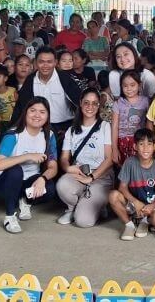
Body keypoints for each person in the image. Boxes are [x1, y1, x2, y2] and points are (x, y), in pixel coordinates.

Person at [0, 97, 58, 233]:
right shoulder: (13, 134)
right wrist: (28, 156)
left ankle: (24, 199)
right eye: (32, 110)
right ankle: (9, 216)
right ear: (25, 113)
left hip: (29, 181)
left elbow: (53, 167)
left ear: (47, 116)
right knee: (16, 171)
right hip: (5, 181)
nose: (37, 115)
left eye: (42, 112)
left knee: (50, 188)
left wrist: (42, 179)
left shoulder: (48, 135)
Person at [57, 89, 114, 227]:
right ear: (80, 104)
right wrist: (68, 167)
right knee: (62, 185)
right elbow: (64, 158)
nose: (90, 107)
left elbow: (109, 159)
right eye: (87, 103)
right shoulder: (72, 130)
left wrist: (92, 177)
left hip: (100, 177)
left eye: (95, 104)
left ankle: (97, 205)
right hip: (79, 173)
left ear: (99, 106)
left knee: (83, 221)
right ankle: (72, 209)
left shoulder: (105, 126)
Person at [16, 46, 82, 144]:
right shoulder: (30, 80)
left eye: (49, 62)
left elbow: (81, 102)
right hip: (39, 127)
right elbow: (21, 107)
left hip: (64, 127)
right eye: (41, 61)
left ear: (55, 62)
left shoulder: (64, 79)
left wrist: (73, 128)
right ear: (35, 63)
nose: (45, 65)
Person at [112, 70, 150, 165]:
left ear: (139, 85)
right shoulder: (118, 103)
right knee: (126, 169)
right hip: (123, 143)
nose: (129, 89)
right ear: (121, 86)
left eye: (132, 85)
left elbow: (151, 123)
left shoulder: (146, 101)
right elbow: (114, 127)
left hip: (141, 142)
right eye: (125, 86)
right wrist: (114, 149)